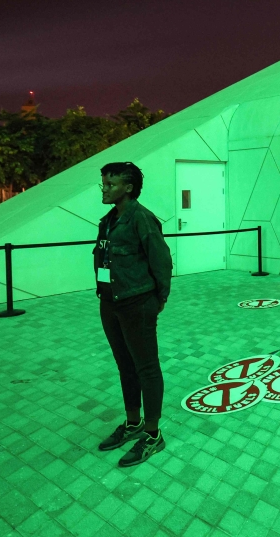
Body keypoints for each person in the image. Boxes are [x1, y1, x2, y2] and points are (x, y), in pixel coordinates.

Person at [92, 162, 172, 468]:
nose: (105, 189)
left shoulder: (142, 218)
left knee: (146, 368)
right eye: (103, 184)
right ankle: (133, 422)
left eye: (110, 184)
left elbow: (161, 261)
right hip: (110, 301)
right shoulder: (109, 220)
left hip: (137, 303)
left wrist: (159, 297)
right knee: (125, 365)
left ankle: (152, 435)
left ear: (128, 188)